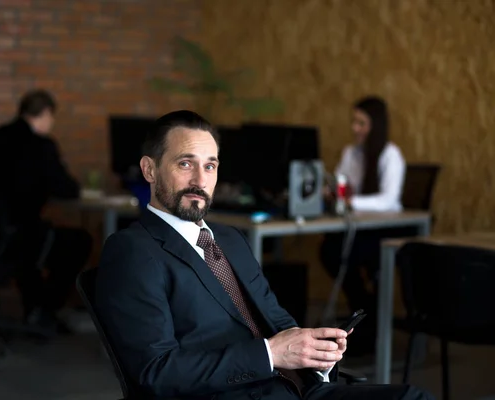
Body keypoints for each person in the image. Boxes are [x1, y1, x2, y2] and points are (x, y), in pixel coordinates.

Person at [95, 110, 433, 399]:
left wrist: (314, 351)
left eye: (210, 166)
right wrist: (271, 354)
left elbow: (277, 320)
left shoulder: (230, 238)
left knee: (412, 396)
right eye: (186, 164)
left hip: (301, 389)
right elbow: (156, 372)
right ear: (150, 170)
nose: (200, 180)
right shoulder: (132, 251)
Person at [0, 89, 92, 336]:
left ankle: (36, 308)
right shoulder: (42, 146)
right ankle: (44, 309)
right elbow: (66, 189)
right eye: (51, 117)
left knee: (36, 243)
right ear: (45, 114)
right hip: (21, 237)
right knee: (78, 242)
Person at [320, 96, 411, 355]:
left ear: (376, 125)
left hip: (386, 231)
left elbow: (389, 200)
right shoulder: (351, 153)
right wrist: (332, 194)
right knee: (330, 250)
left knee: (350, 252)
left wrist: (350, 201)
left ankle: (367, 314)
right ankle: (362, 307)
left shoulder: (390, 155)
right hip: (358, 229)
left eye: (362, 122)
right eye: (354, 121)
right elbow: (340, 185)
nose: (355, 128)